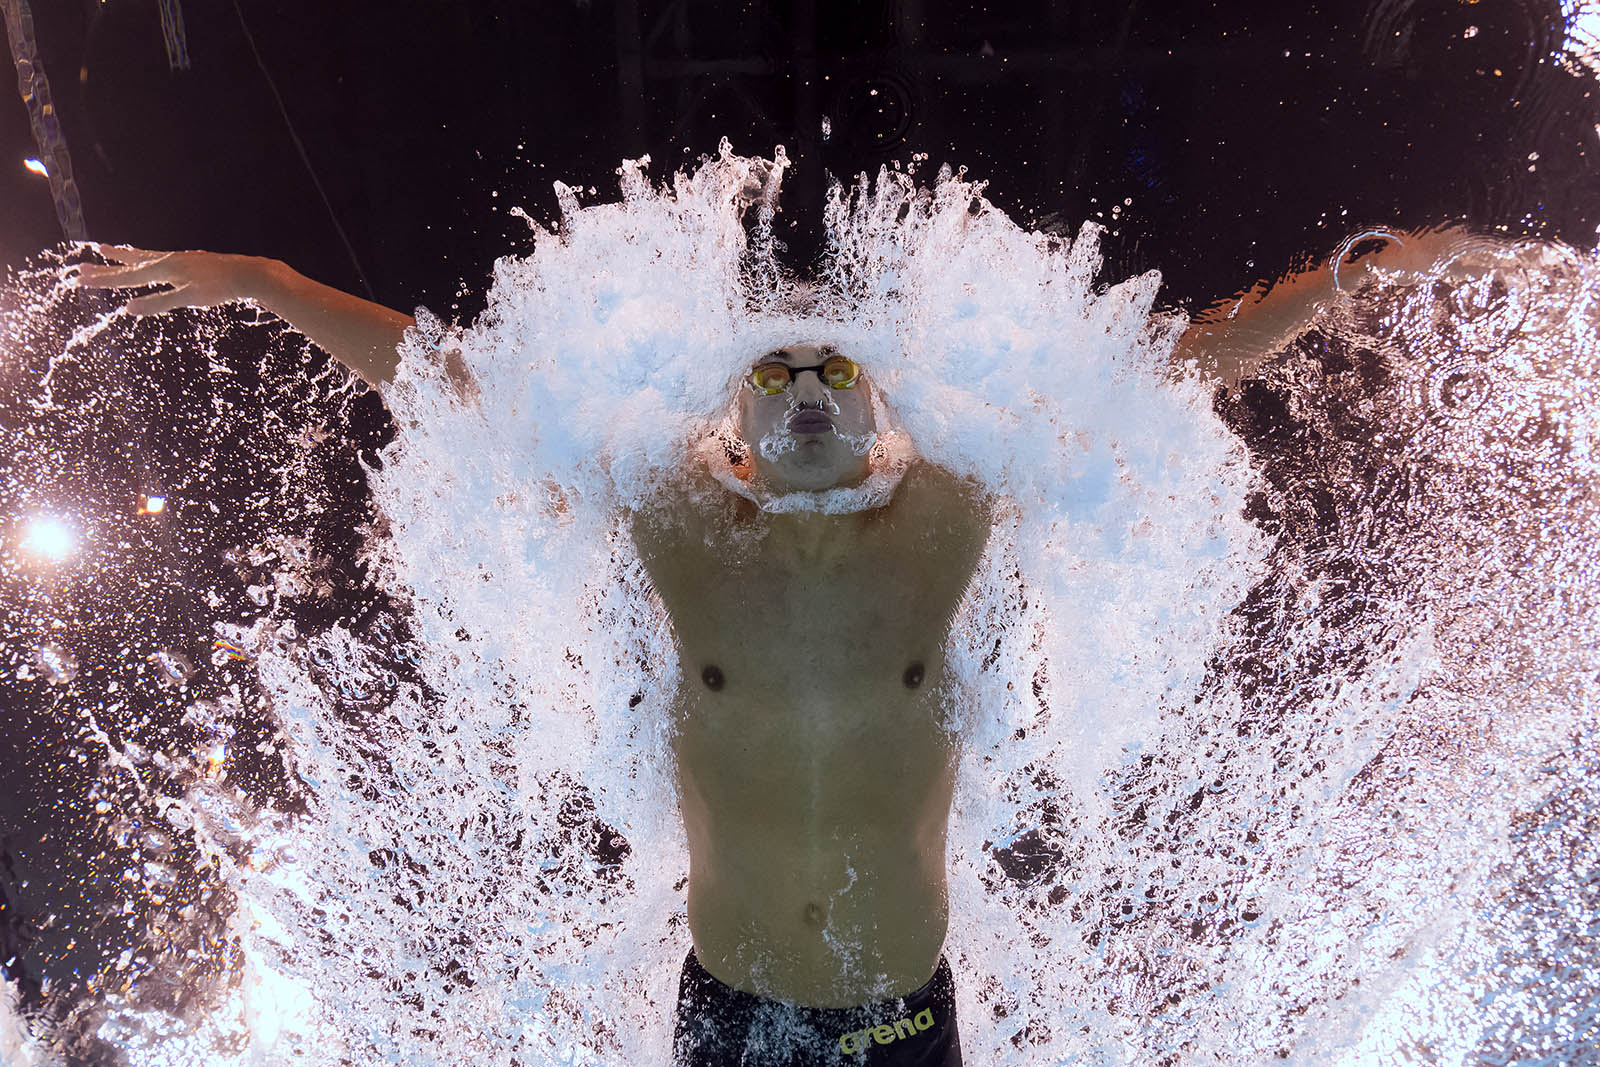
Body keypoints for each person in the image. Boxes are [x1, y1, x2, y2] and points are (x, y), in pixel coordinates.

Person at [71, 223, 1461, 1065]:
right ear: (734, 423)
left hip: (899, 1017)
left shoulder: (954, 504)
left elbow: (1178, 358)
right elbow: (452, 379)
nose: (806, 384)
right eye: (779, 371)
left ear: (882, 409)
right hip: (730, 1016)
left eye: (835, 369)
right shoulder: (673, 512)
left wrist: (1345, 282)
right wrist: (261, 279)